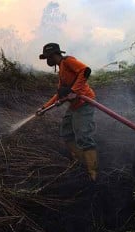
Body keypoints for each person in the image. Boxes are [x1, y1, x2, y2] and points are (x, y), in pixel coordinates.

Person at [36, 43, 98, 181]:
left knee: (83, 137)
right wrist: (44, 108)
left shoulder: (68, 61)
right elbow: (59, 94)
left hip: (84, 102)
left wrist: (74, 91)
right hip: (74, 105)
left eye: (47, 58)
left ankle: (93, 173)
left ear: (53, 55)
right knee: (66, 133)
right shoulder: (61, 70)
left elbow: (85, 70)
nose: (47, 61)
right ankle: (81, 162)